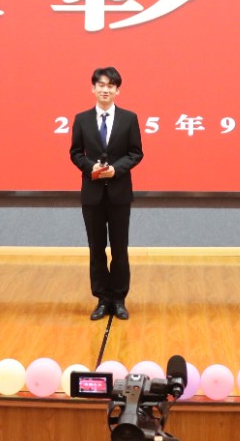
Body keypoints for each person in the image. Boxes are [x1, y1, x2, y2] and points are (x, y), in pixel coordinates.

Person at [69, 65, 143, 321]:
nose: (105, 90)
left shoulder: (129, 118)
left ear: (117, 91)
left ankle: (119, 299)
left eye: (110, 86)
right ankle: (102, 299)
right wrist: (90, 167)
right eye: (101, 85)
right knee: (97, 248)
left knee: (120, 248)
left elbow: (136, 153)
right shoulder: (81, 119)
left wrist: (116, 169)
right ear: (93, 88)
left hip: (119, 193)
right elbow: (75, 153)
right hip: (92, 195)